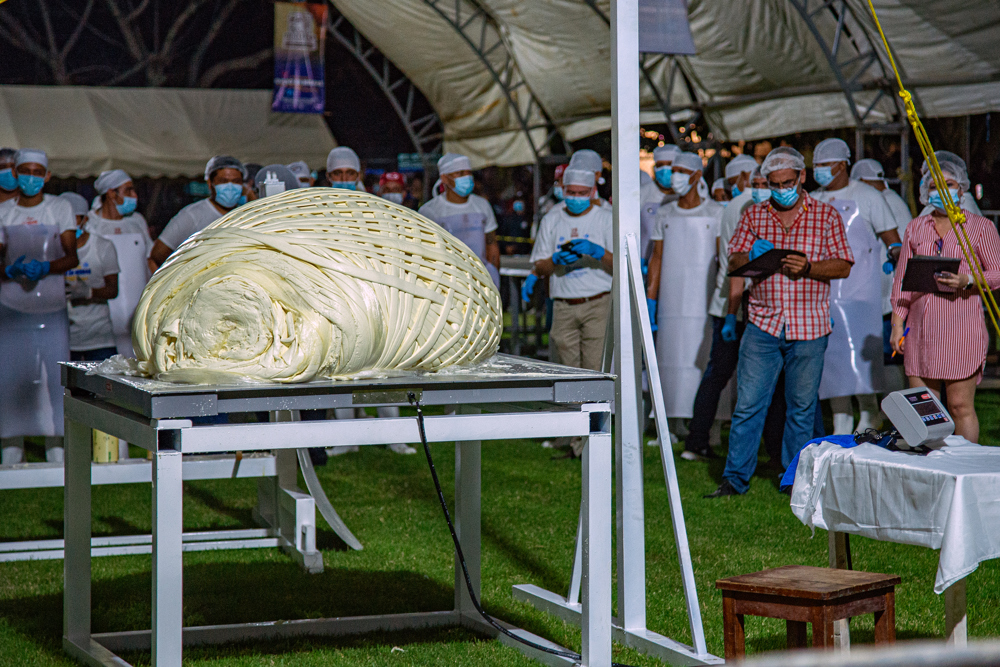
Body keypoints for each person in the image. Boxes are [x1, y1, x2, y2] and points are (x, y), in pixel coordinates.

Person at [707, 147, 853, 497]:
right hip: (762, 323)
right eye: (774, 185)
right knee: (747, 405)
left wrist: (809, 268)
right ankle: (734, 479)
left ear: (801, 178)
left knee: (801, 408)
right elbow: (734, 260)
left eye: (787, 182)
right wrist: (753, 255)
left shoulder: (826, 215)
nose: (781, 190)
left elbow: (844, 264)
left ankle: (794, 480)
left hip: (810, 325)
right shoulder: (755, 215)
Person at [890, 155, 1000, 443]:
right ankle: (927, 473)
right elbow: (902, 281)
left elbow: (998, 273)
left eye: (948, 183)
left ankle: (965, 469)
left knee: (959, 406)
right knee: (923, 411)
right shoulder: (916, 228)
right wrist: (897, 324)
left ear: (961, 188)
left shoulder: (980, 228)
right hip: (921, 330)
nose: (941, 190)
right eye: (935, 185)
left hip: (961, 328)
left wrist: (969, 280)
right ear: (926, 190)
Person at [684, 162, 786, 461]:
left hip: (731, 304)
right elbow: (737, 267)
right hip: (747, 306)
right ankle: (774, 451)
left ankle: (697, 440)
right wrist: (732, 313)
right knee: (767, 383)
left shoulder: (732, 207)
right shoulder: (754, 210)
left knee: (717, 376)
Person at [810, 138, 901, 435]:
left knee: (863, 360)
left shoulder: (868, 196)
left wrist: (896, 258)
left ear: (841, 165)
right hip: (823, 293)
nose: (819, 171)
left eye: (824, 165)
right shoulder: (813, 200)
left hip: (861, 293)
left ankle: (869, 414)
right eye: (817, 166)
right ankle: (840, 420)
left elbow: (892, 239)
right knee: (832, 361)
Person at [0, 149, 80, 464]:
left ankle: (56, 444)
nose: (30, 177)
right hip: (11, 306)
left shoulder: (59, 208)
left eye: (37, 172)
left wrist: (47, 268)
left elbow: (72, 256)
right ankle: (11, 444)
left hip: (52, 306)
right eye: (24, 171)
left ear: (46, 176)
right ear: (15, 174)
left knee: (55, 375)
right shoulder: (4, 212)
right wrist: (7, 271)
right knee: (11, 374)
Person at [526, 168, 613, 457]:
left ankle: (591, 443)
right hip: (563, 304)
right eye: (570, 192)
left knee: (594, 374)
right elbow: (539, 267)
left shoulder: (606, 218)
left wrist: (597, 251)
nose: (575, 197)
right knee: (568, 376)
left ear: (591, 191)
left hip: (597, 303)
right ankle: (576, 439)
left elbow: (621, 264)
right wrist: (554, 260)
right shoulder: (552, 219)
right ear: (562, 189)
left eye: (580, 193)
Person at [645, 152, 725, 442]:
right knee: (669, 360)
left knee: (702, 362)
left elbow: (722, 258)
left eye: (679, 170)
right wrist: (651, 300)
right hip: (671, 302)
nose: (673, 175)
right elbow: (657, 258)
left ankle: (710, 426)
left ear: (695, 176)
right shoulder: (665, 214)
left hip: (704, 302)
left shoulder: (716, 212)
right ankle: (670, 425)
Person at [149, 156, 247, 269]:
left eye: (236, 182)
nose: (230, 187)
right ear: (210, 183)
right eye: (223, 181)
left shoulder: (245, 213)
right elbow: (158, 254)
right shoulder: (191, 215)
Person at [418, 153, 500, 287]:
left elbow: (491, 244)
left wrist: (493, 276)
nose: (466, 177)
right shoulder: (430, 211)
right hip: (447, 282)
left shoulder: (482, 206)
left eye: (469, 173)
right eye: (460, 173)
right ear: (445, 178)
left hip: (480, 280)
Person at [917, 151, 981, 217]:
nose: (941, 191)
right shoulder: (934, 207)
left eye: (948, 185)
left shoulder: (965, 207)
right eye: (934, 187)